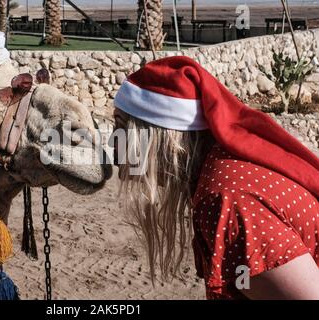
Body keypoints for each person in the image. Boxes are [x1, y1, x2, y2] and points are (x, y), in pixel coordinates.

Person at [113, 56, 319, 300]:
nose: (112, 144)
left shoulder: (227, 199)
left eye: (122, 127)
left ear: (161, 136)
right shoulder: (219, 172)